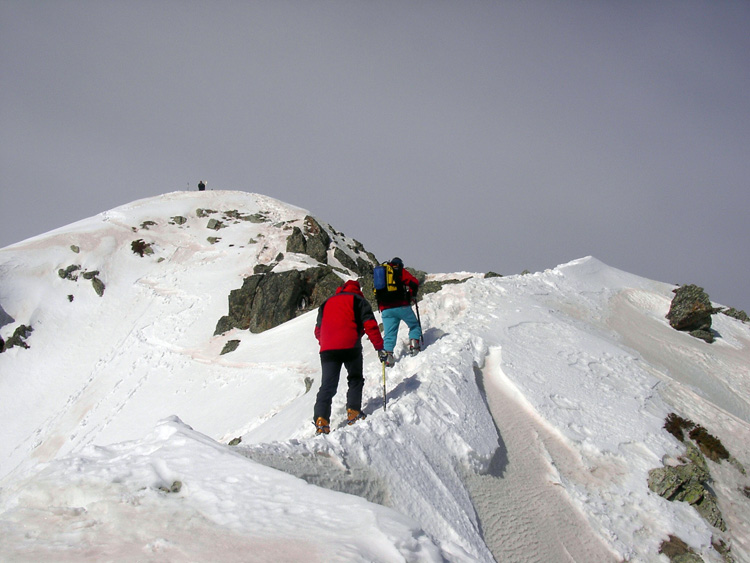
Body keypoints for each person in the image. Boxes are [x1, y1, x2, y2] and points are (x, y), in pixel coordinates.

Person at [313, 279, 387, 435]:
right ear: (358, 289)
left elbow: (317, 331)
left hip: (327, 350)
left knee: (327, 386)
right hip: (350, 346)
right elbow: (370, 325)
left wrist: (326, 341)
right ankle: (353, 411)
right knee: (355, 378)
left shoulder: (326, 303)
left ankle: (321, 420)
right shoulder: (359, 300)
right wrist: (379, 347)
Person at [376, 257, 422, 367]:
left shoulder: (382, 273)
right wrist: (412, 295)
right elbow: (414, 282)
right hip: (402, 306)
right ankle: (414, 344)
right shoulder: (400, 271)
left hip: (386, 309)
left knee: (389, 334)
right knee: (414, 325)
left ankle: (388, 357)